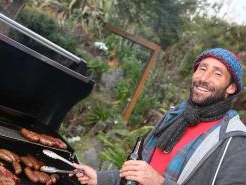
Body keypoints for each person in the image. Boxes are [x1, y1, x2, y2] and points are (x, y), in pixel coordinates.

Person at [72, 48, 246, 185]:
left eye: (217, 74)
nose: (204, 78)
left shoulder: (233, 141)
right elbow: (139, 171)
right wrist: (100, 178)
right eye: (202, 68)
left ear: (231, 88)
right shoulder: (174, 117)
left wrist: (160, 183)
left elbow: (152, 178)